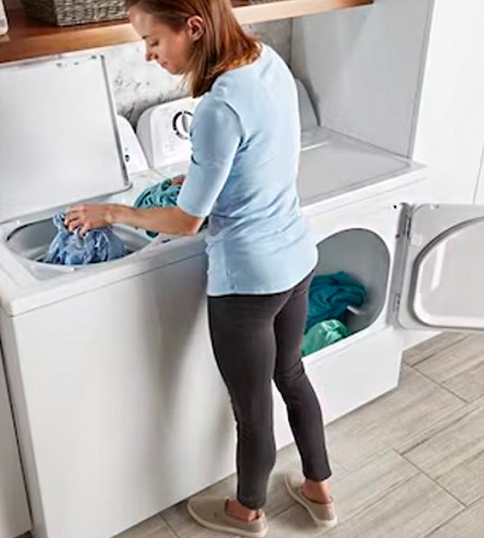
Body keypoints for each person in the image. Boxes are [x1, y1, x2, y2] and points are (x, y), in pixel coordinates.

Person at [64, 0, 335, 535]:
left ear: (193, 27)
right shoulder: (267, 61)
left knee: (251, 410)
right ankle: (318, 492)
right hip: (296, 256)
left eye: (154, 41)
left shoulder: (218, 107)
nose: (148, 54)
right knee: (292, 374)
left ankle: (246, 513)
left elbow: (189, 219)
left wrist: (113, 211)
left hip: (247, 282)